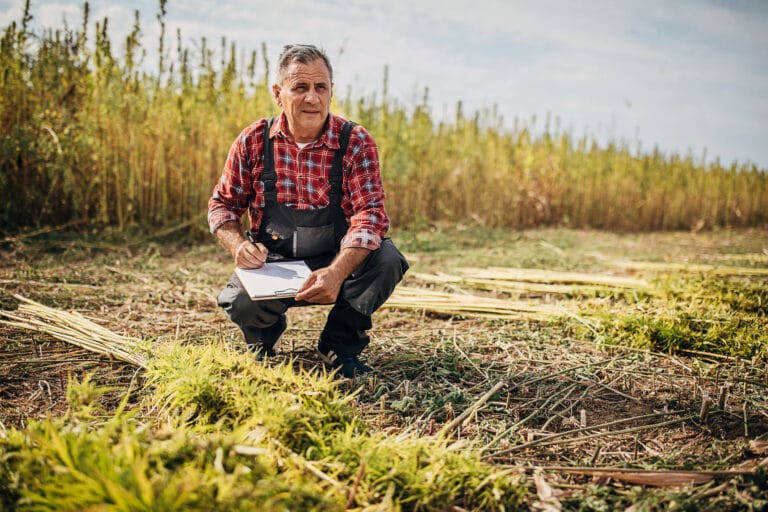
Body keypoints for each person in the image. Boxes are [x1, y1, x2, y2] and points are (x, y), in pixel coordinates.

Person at [208, 44, 408, 378]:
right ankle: (262, 341)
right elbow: (222, 205)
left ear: (331, 91)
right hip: (275, 266)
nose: (312, 98)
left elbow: (370, 216)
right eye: (300, 87)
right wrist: (238, 246)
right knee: (239, 299)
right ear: (278, 93)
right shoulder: (254, 141)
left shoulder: (355, 142)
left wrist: (337, 272)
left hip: (336, 260)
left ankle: (339, 347)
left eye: (321, 87)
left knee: (387, 259)